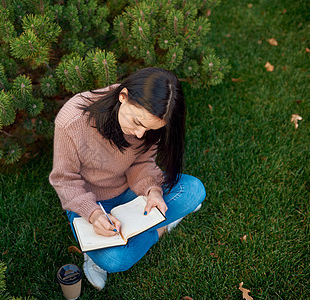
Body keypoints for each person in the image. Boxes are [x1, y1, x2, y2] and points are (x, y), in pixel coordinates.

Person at [49, 67, 206, 290]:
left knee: (194, 191)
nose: (140, 134)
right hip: (90, 201)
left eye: (149, 129)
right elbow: (65, 180)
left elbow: (141, 163)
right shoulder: (73, 118)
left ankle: (152, 226)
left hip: (129, 191)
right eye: (137, 123)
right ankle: (160, 227)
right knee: (115, 261)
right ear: (123, 96)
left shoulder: (150, 124)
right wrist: (93, 215)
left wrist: (152, 191)